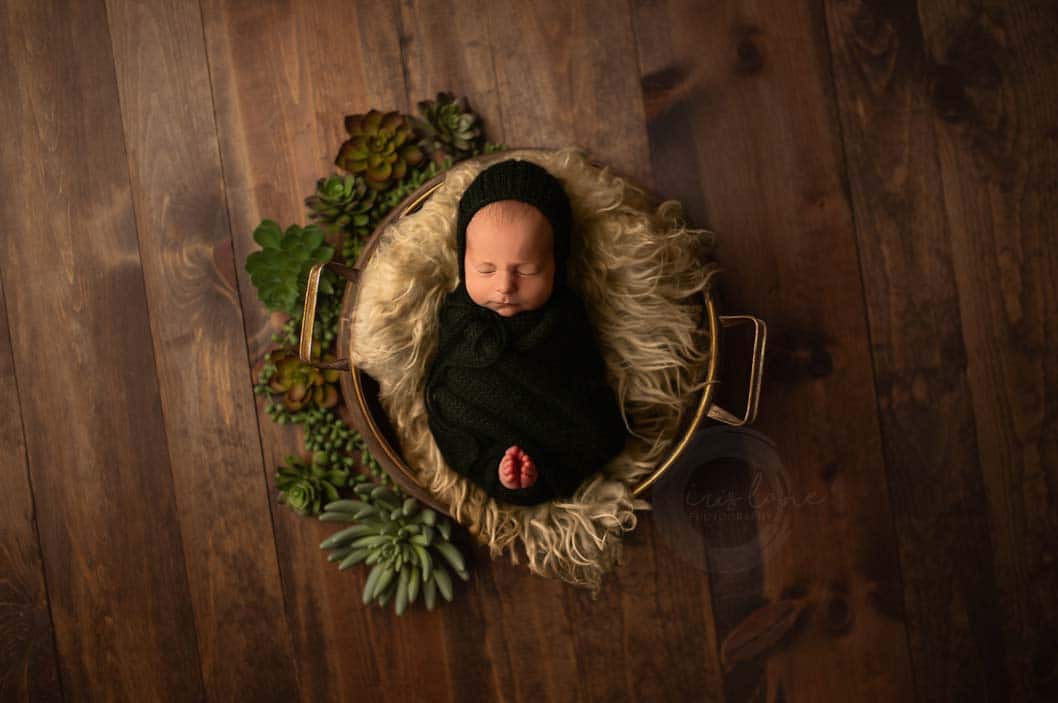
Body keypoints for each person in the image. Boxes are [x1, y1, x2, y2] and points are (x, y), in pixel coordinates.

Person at [423, 158, 628, 507]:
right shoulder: (458, 312)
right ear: (463, 261)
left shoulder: (566, 315)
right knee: (451, 414)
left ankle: (532, 475)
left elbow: (584, 378)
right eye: (486, 270)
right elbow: (445, 376)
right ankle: (502, 475)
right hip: (479, 427)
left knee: (591, 429)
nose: (504, 286)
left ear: (556, 263)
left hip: (553, 429)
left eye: (528, 270)